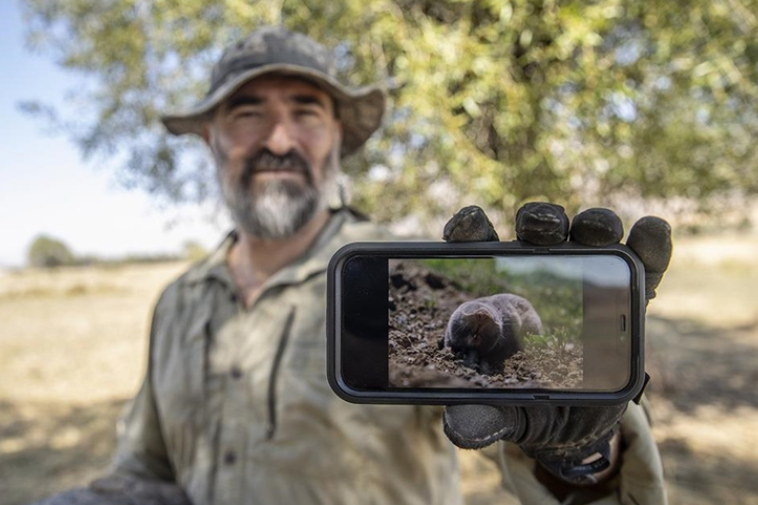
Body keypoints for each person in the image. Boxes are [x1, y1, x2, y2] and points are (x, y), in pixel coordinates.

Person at [35, 27, 672, 505]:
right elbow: (149, 470)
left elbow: (527, 429)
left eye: (305, 111)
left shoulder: (413, 277)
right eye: (247, 111)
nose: (278, 139)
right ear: (212, 136)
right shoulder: (177, 301)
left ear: (338, 134)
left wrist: (581, 453)